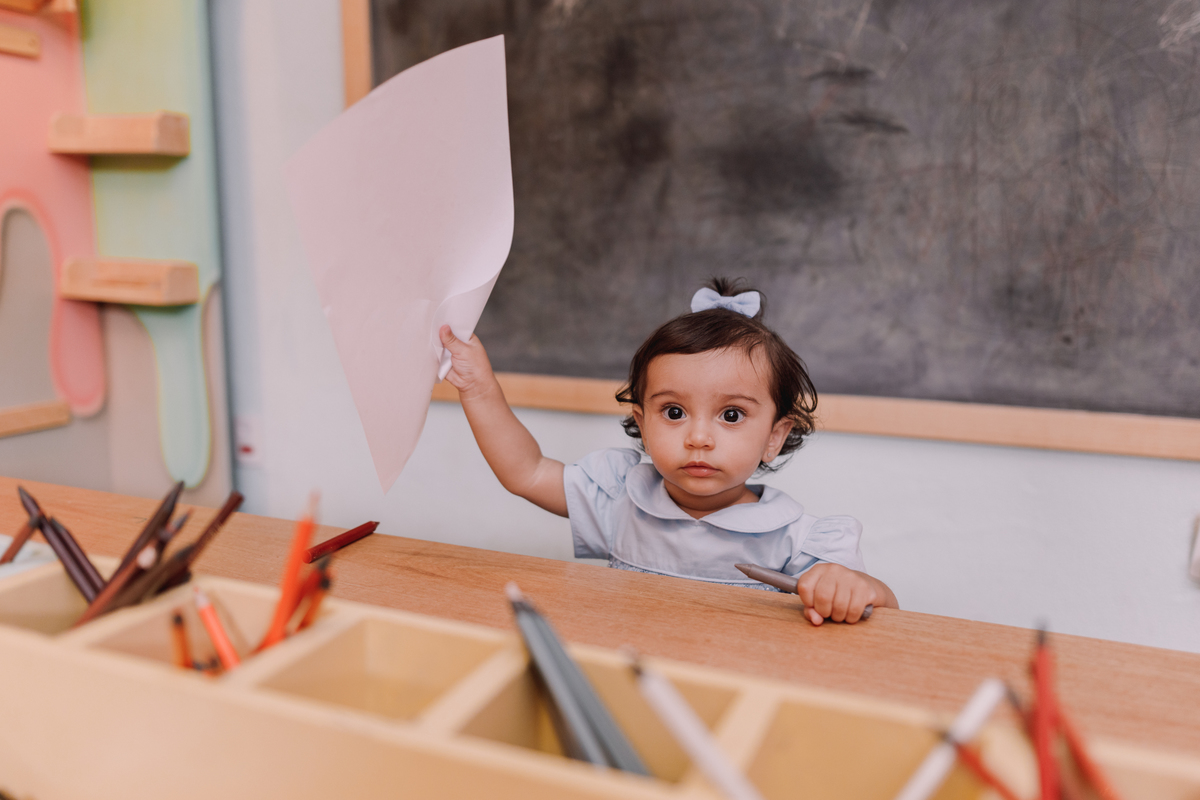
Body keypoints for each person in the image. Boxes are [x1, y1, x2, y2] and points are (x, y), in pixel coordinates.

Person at [439, 278, 898, 625]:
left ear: (775, 436)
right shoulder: (622, 500)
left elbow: (885, 606)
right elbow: (527, 471)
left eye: (732, 416)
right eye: (674, 412)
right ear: (641, 423)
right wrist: (478, 386)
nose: (699, 437)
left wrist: (854, 588)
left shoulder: (798, 540)